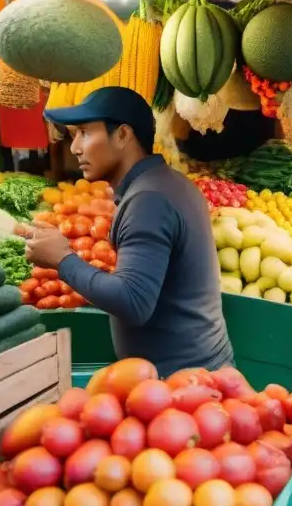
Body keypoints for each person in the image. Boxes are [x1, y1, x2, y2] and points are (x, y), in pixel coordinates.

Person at [22, 87, 233, 377]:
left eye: (84, 132)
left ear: (122, 135)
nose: (75, 148)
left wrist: (63, 260)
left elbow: (133, 302)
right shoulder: (167, 183)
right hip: (194, 371)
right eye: (74, 136)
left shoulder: (149, 200)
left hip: (182, 384)